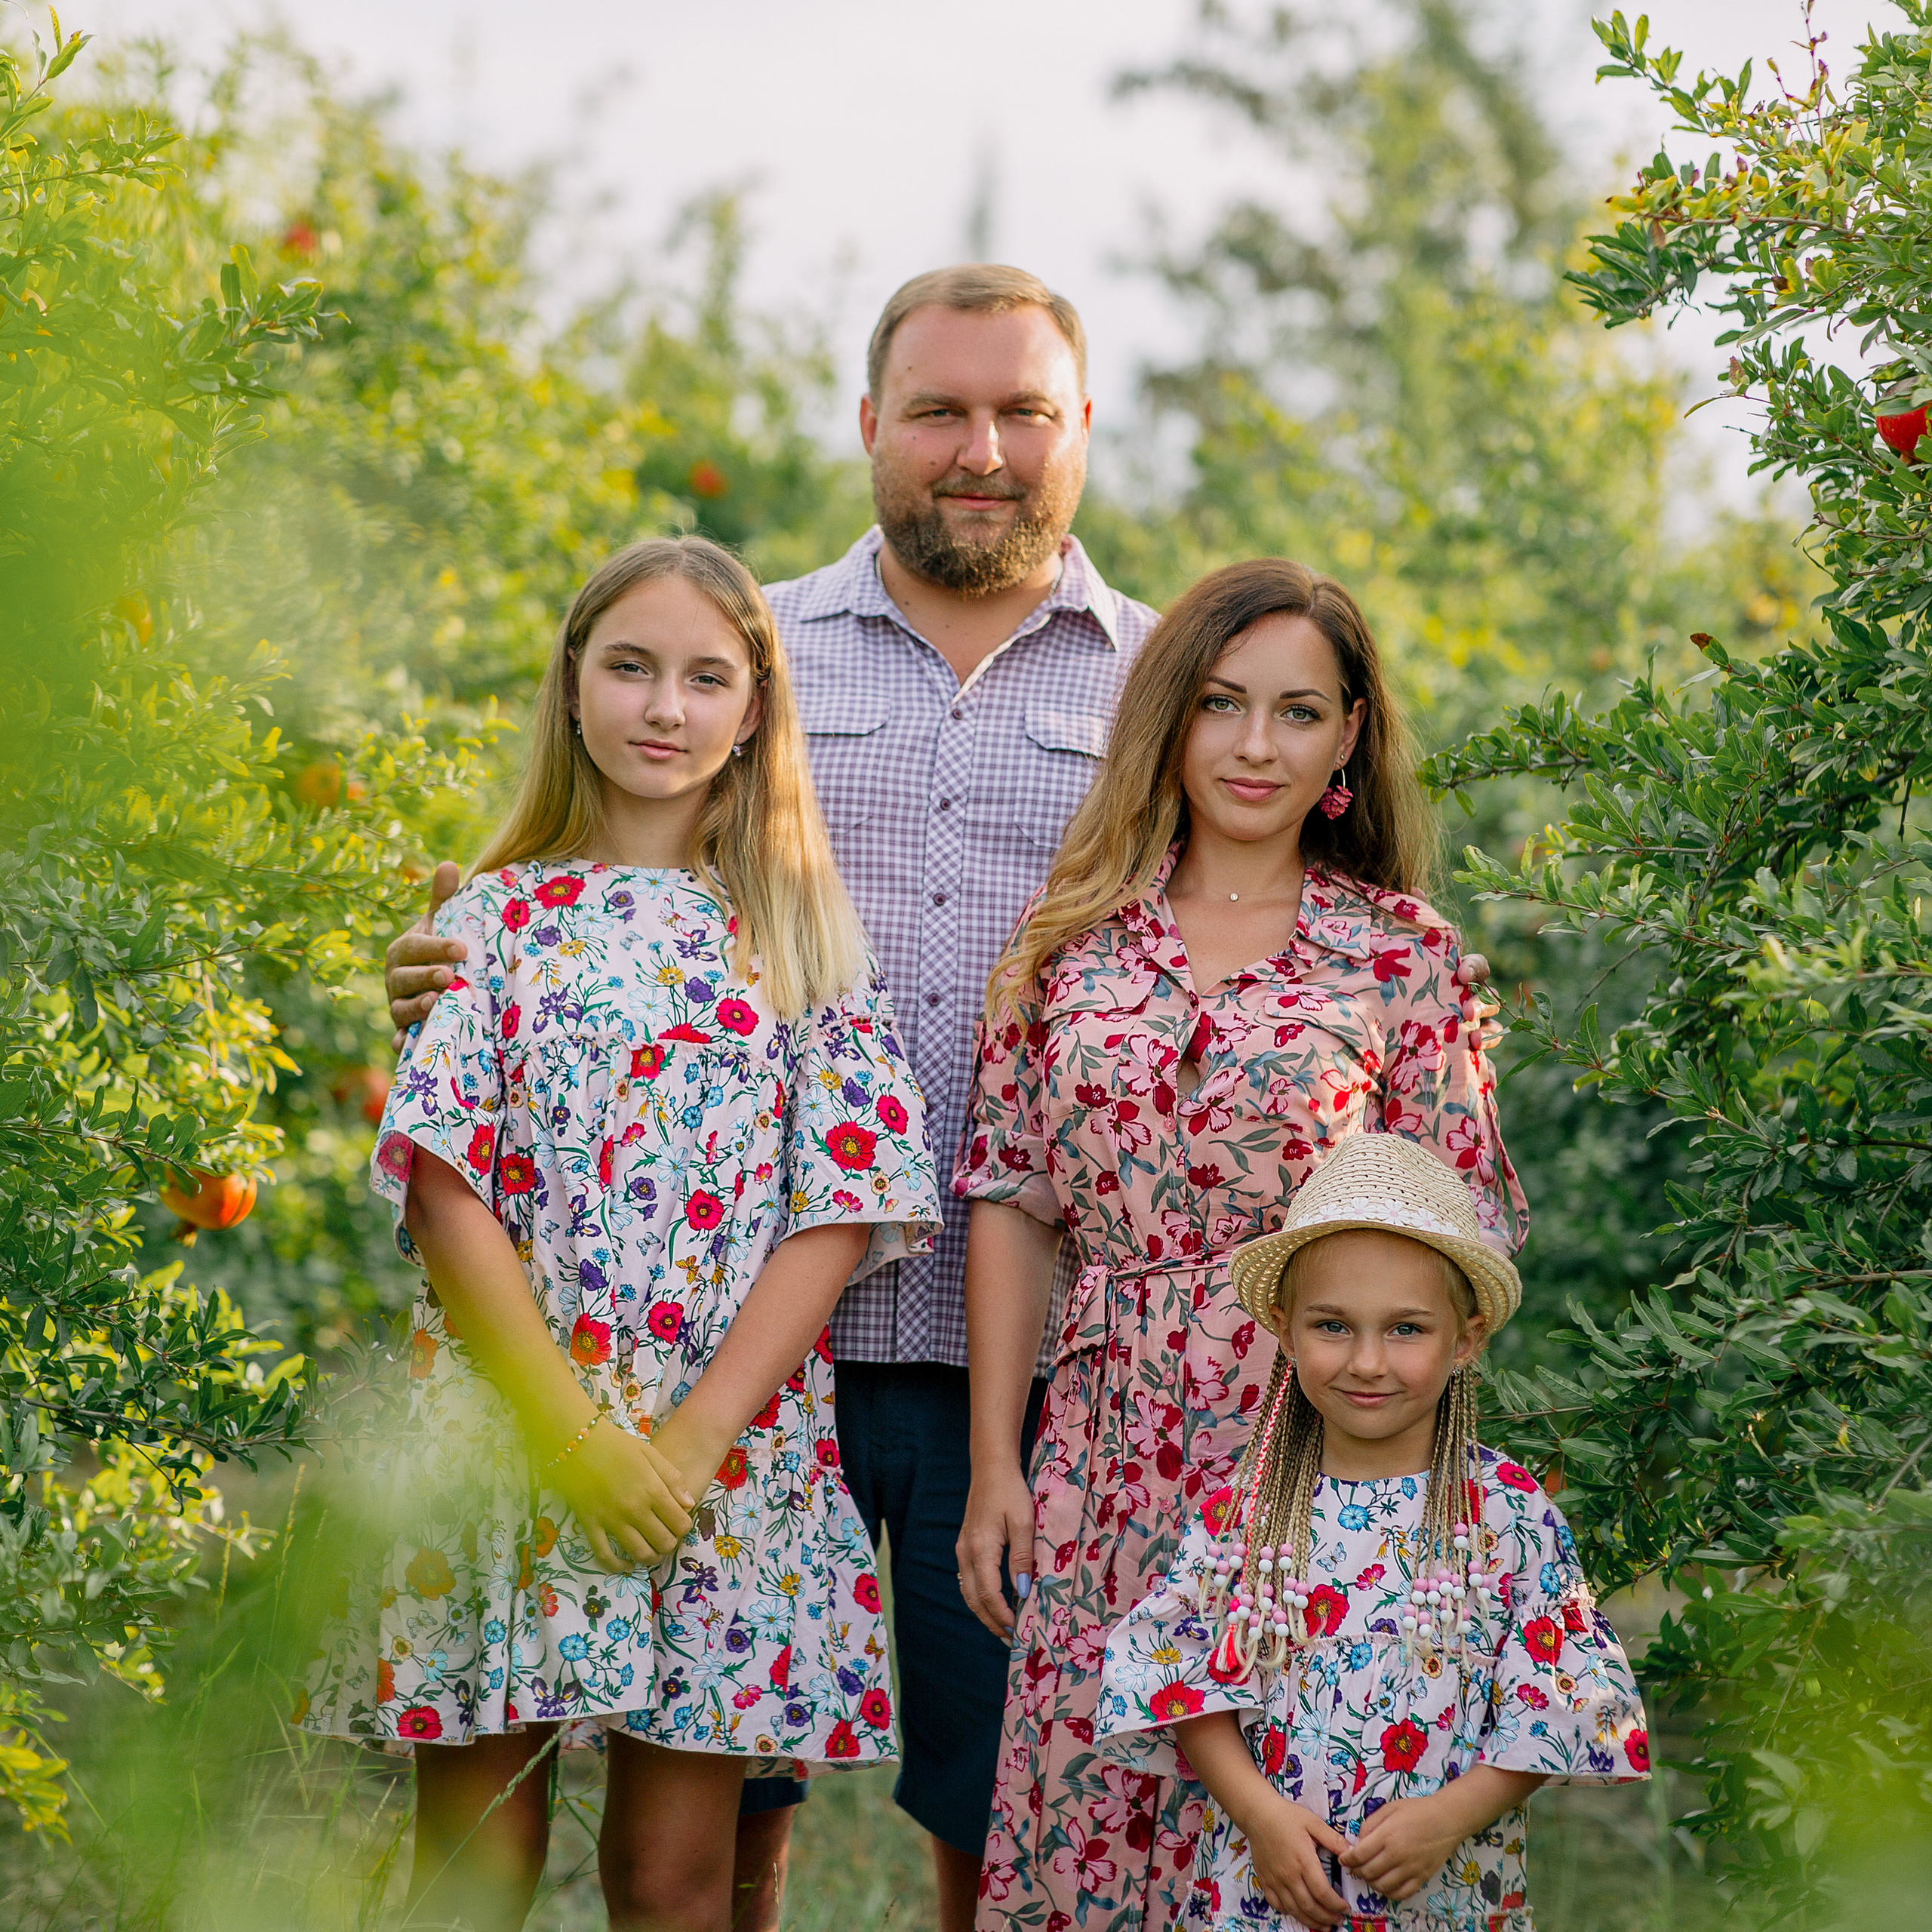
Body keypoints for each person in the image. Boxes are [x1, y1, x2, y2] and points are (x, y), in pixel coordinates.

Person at [382, 267, 1492, 1927]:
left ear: (1081, 426)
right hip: (743, 1337)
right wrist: (444, 971)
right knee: (727, 1807)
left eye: (1021, 411)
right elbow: (574, 885)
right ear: (869, 423)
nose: (981, 450)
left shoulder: (1171, 678)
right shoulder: (746, 646)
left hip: (1033, 1352)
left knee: (1003, 1785)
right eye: (938, 411)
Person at [303, 535, 940, 1932]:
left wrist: (691, 1443)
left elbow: (842, 1204)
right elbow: (445, 1185)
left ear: (755, 710)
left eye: (707, 678)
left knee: (671, 1880)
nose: (664, 708)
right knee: (474, 1859)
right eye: (631, 668)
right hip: (508, 1426)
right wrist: (570, 1434)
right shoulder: (489, 920)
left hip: (714, 1457)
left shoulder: (798, 938)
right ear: (573, 684)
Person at [953, 558, 1527, 1930]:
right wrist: (995, 1464)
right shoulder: (1068, 944)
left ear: (1347, 740)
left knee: (1296, 1833)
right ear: (1170, 717)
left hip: (1320, 1448)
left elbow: (1458, 1242)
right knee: (1091, 1821)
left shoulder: (1402, 957)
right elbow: (1014, 1201)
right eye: (1221, 703)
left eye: (1298, 711)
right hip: (1101, 1451)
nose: (1255, 745)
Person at [1095, 1132, 1649, 1929]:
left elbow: (1562, 1699)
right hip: (1269, 1896)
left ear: (1466, 1338)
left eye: (1405, 1329)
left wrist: (1450, 1816)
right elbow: (1181, 1676)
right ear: (1284, 1329)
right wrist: (1260, 1815)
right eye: (1332, 1325)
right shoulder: (1247, 1512)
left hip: (1444, 1892)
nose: (1365, 1361)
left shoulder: (1505, 1514)